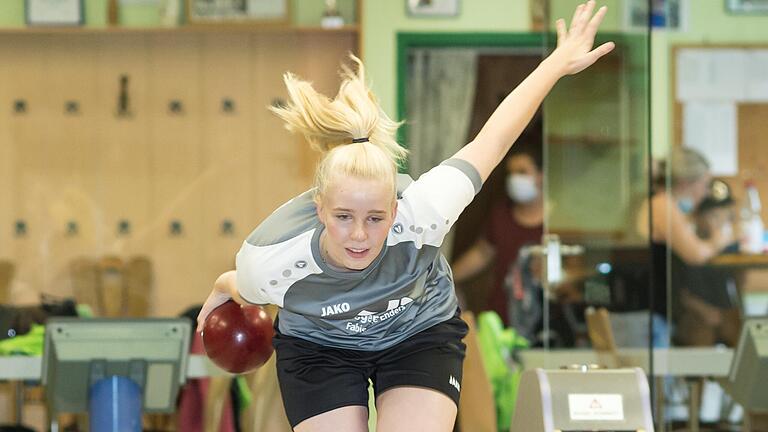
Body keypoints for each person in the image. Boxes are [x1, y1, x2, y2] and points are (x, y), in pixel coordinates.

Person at [196, 2, 614, 430]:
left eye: (376, 218)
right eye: (342, 216)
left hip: (419, 332)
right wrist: (224, 285)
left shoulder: (423, 211)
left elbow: (495, 137)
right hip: (319, 347)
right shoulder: (271, 259)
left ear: (395, 210)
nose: (359, 234)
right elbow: (244, 284)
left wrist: (557, 64)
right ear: (318, 207)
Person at [635, 146, 734, 343]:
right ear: (686, 182)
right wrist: (719, 239)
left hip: (658, 310)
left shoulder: (667, 205)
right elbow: (695, 254)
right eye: (704, 184)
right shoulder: (663, 204)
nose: (706, 193)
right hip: (647, 311)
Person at [451, 139, 544, 326]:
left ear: (541, 175)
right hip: (501, 319)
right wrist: (448, 276)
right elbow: (482, 253)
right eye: (511, 173)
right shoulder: (501, 215)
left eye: (522, 172)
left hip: (545, 323)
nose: (515, 179)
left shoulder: (558, 221)